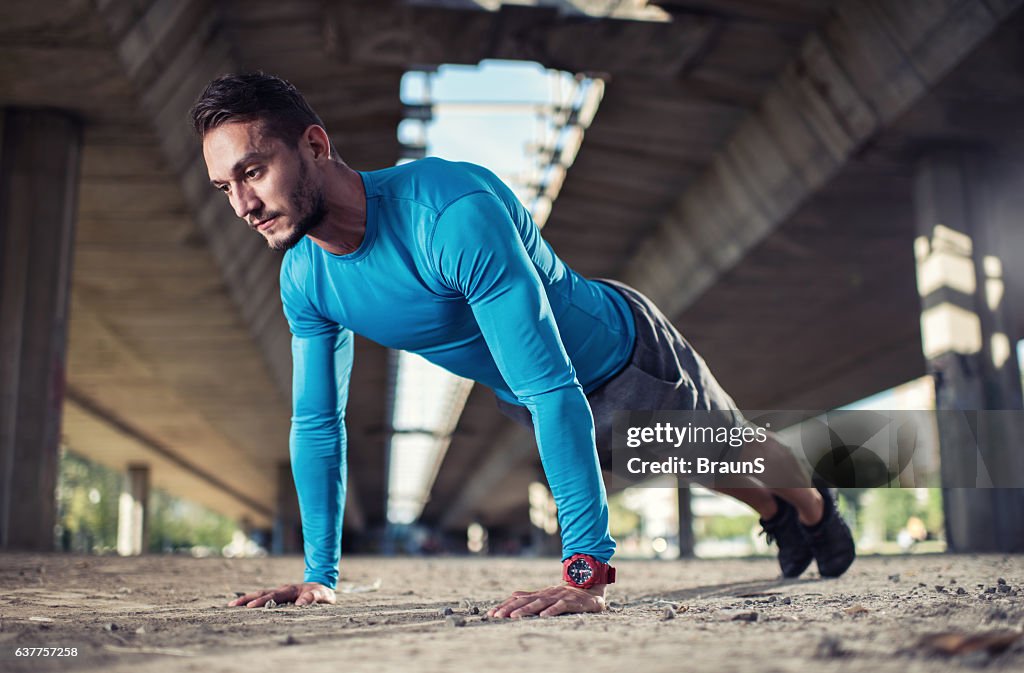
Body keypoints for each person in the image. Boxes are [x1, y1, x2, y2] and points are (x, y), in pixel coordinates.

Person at [191, 72, 855, 619]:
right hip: (534, 396)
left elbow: (552, 386)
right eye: (226, 187)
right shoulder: (305, 278)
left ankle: (812, 504)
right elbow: (318, 423)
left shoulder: (450, 213)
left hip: (622, 356)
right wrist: (318, 574)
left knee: (724, 444)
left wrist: (584, 573)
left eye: (254, 170)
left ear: (313, 144)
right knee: (691, 463)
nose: (244, 203)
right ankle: (778, 509)